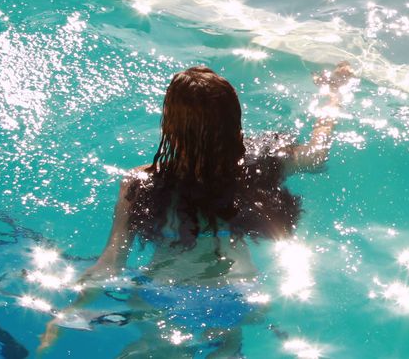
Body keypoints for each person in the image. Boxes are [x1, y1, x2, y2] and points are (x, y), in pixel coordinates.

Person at [39, 62, 354, 355]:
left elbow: (111, 262)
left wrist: (70, 312)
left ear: (169, 125)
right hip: (237, 294)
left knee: (152, 350)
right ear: (234, 120)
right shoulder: (260, 167)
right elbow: (317, 155)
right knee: (228, 348)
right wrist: (334, 93)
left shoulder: (140, 183)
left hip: (163, 296)